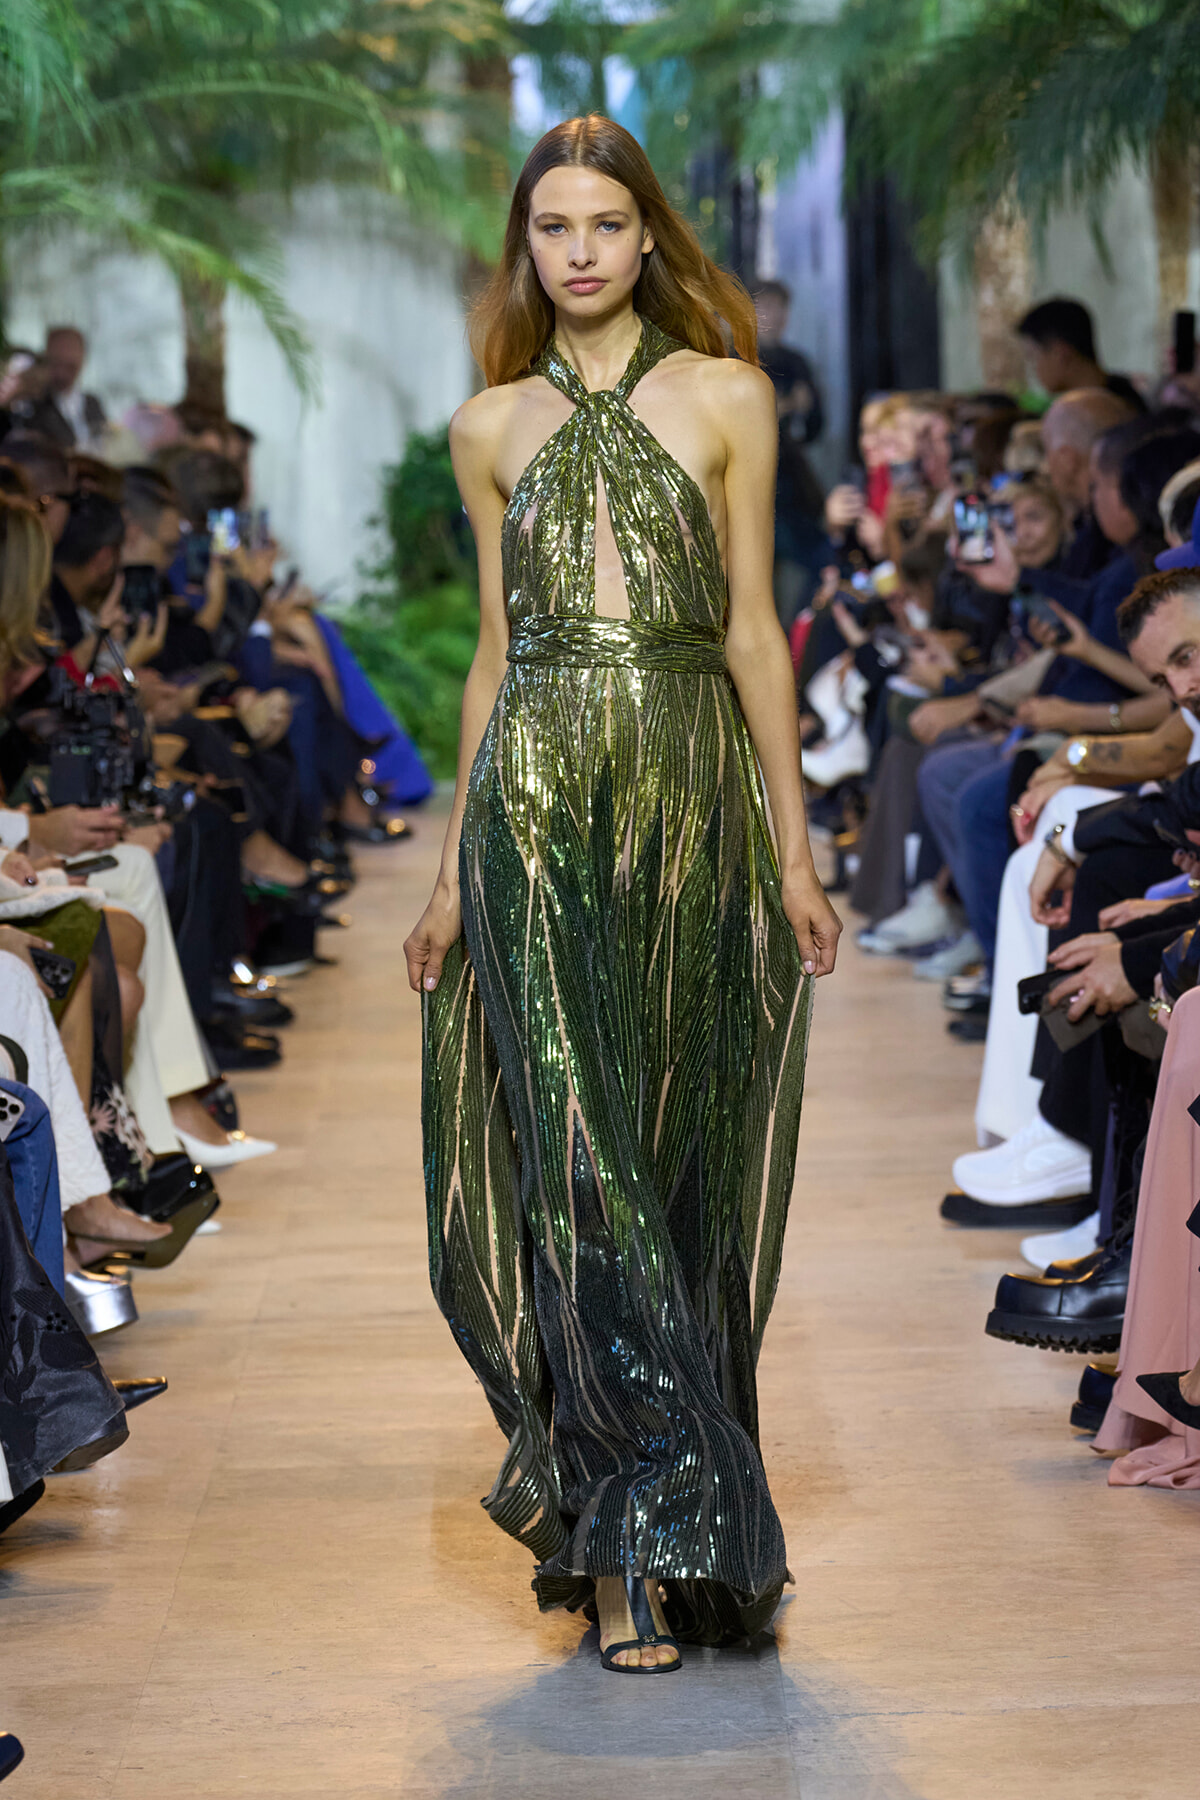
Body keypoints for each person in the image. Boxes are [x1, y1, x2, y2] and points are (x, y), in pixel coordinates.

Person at [404, 113, 840, 1675]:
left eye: (604, 222)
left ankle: (696, 1524)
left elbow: (754, 632)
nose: (578, 250)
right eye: (552, 227)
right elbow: (494, 656)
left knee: (680, 1164)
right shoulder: (487, 426)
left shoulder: (728, 395)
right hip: (534, 811)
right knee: (577, 1173)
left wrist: (794, 850)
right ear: (524, 246)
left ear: (649, 233)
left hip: (690, 804)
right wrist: (447, 874)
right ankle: (623, 1557)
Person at [753, 280, 826, 625]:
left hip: (792, 487)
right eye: (766, 307)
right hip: (753, 486)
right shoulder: (734, 360)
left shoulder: (797, 362)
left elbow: (815, 427)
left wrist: (804, 410)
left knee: (819, 561)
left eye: (780, 308)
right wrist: (781, 408)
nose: (774, 315)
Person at [1017, 298, 1145, 413]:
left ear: (1061, 354)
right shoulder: (1115, 396)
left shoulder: (1114, 411)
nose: (1033, 369)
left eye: (1032, 357)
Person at [21, 328, 108, 451]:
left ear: (82, 361)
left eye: (70, 367)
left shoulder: (92, 403)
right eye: (56, 364)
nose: (61, 374)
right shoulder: (34, 406)